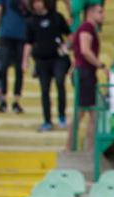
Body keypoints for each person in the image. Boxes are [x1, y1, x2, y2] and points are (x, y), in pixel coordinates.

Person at [23, 0, 71, 132]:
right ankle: (47, 120)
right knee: (45, 90)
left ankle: (62, 116)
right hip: (41, 60)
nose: (37, 5)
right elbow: (28, 42)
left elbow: (69, 34)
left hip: (58, 58)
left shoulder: (56, 17)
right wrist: (25, 60)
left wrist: (66, 46)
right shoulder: (31, 21)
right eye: (35, 2)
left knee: (60, 83)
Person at [71, 3, 106, 152]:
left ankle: (85, 147)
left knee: (88, 112)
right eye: (100, 12)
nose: (103, 15)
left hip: (85, 72)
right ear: (90, 13)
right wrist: (101, 66)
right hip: (85, 72)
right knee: (88, 112)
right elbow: (85, 50)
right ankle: (86, 148)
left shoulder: (89, 29)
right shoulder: (86, 28)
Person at [0, 0, 27, 114]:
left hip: (22, 36)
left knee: (18, 69)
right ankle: (4, 99)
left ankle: (15, 100)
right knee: (3, 67)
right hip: (7, 35)